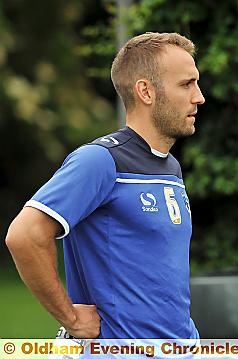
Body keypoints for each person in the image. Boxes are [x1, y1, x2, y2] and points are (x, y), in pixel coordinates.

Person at [5, 32, 205, 339]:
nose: (199, 97)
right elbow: (24, 235)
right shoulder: (99, 161)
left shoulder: (170, 167)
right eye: (186, 84)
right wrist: (71, 319)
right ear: (146, 92)